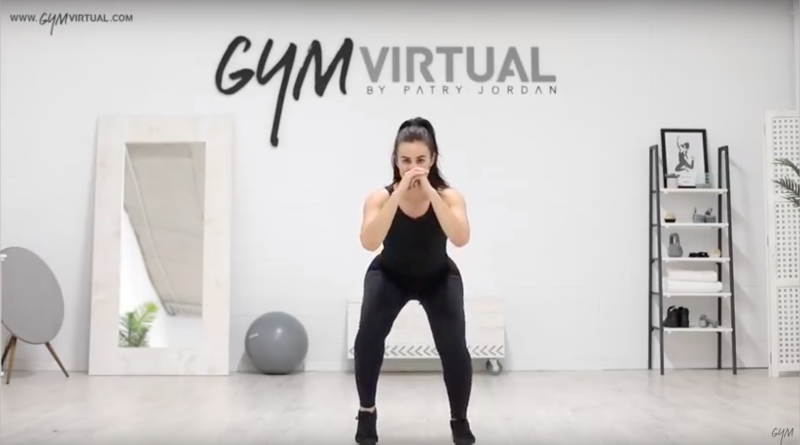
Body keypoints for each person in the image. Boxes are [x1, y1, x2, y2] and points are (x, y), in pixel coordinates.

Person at [353, 117, 475, 445]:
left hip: (437, 276)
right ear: (395, 160)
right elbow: (369, 242)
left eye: (420, 159)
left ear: (433, 159)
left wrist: (431, 194)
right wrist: (397, 195)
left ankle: (459, 420)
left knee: (454, 347)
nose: (413, 168)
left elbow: (461, 238)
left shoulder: (450, 197)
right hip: (390, 275)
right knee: (367, 338)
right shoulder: (379, 198)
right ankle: (366, 412)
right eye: (405, 160)